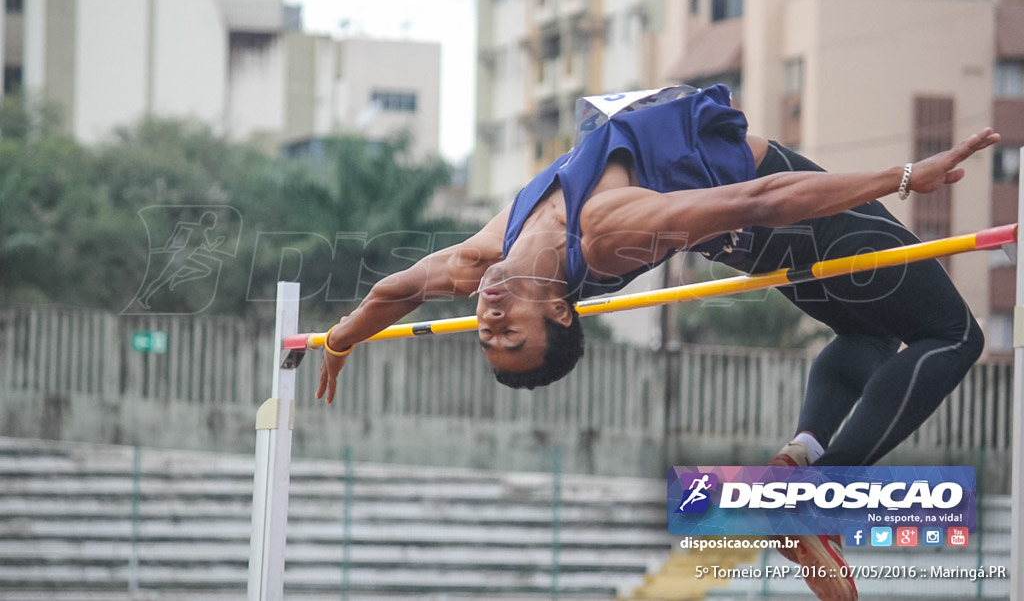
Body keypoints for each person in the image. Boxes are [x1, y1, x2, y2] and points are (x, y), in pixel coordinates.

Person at [315, 84, 998, 601]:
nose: (489, 317)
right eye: (509, 331)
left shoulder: (486, 253)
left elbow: (396, 291)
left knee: (869, 331)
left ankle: (801, 456)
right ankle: (819, 498)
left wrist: (340, 338)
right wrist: (906, 177)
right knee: (954, 333)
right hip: (792, 215)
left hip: (760, 239)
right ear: (557, 307)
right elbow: (762, 200)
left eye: (489, 333)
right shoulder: (608, 227)